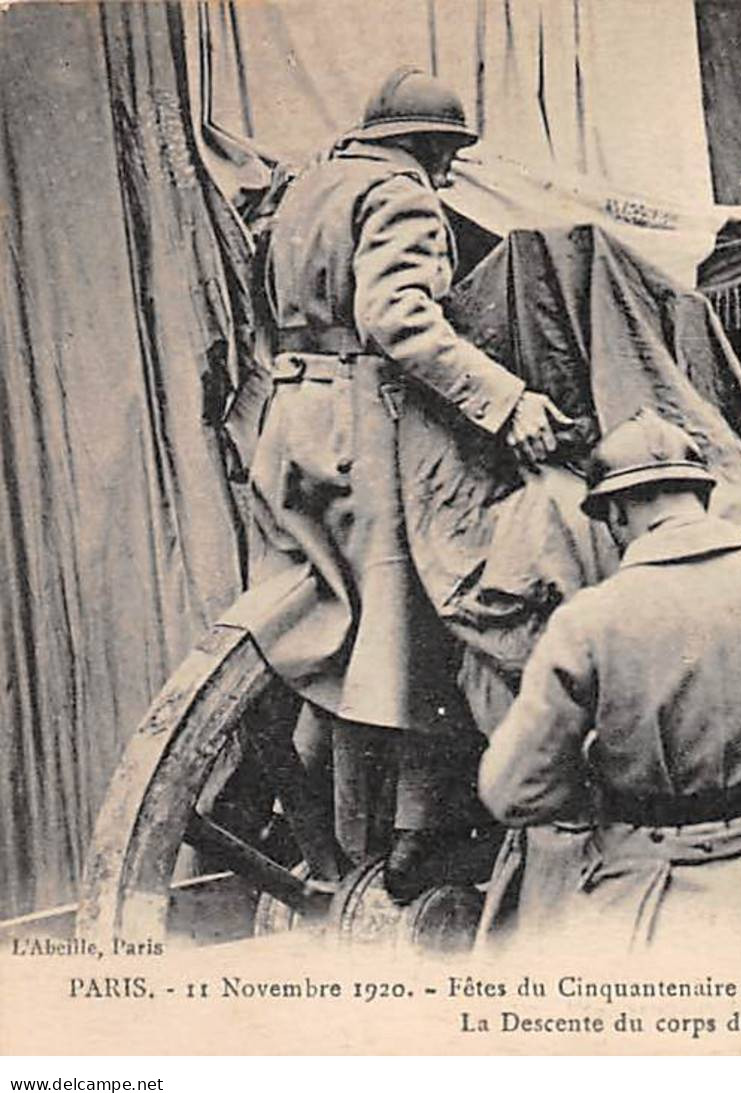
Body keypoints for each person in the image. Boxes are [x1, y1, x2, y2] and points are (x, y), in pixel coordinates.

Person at [243, 67, 574, 899]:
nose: (450, 173)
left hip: (287, 420)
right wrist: (507, 401)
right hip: (365, 422)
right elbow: (398, 321)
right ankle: (412, 844)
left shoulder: (300, 189)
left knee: (325, 630)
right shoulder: (402, 196)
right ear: (425, 147)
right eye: (447, 155)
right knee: (423, 614)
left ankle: (333, 831)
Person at [478, 410, 741, 954]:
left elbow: (513, 790)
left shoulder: (591, 620)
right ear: (704, 496)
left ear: (615, 515)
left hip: (653, 887)